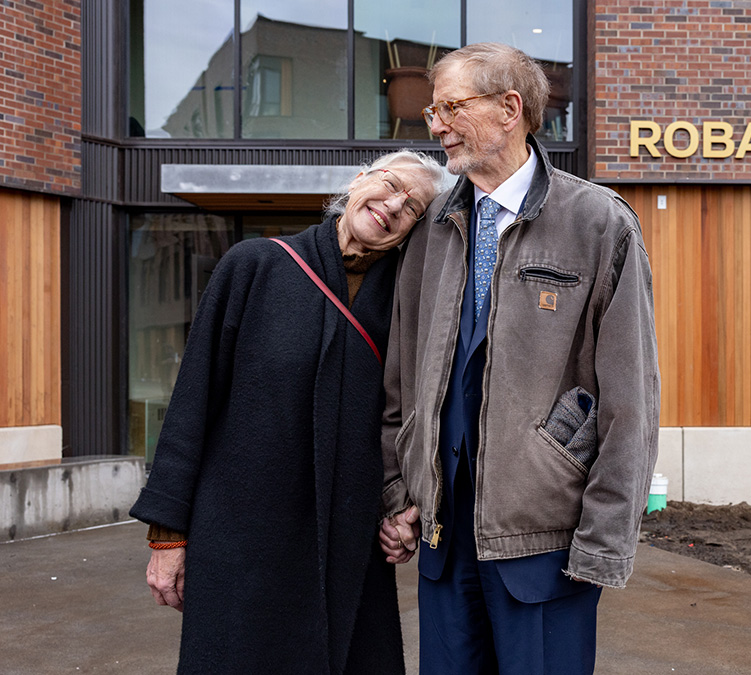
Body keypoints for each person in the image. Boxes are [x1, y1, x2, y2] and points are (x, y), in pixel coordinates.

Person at [378, 43, 660, 674]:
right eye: (432, 113)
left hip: (545, 547)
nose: (438, 125)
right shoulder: (429, 230)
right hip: (444, 542)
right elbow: (399, 384)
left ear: (510, 109)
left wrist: (603, 541)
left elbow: (630, 402)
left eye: (451, 106)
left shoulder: (598, 223)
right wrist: (397, 491)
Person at [129, 150, 449, 674]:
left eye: (412, 207)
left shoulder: (405, 304)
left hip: (349, 547)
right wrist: (168, 536)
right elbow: (191, 405)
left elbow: (411, 417)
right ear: (359, 179)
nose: (393, 205)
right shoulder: (253, 265)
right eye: (389, 185)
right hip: (240, 542)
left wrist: (402, 504)